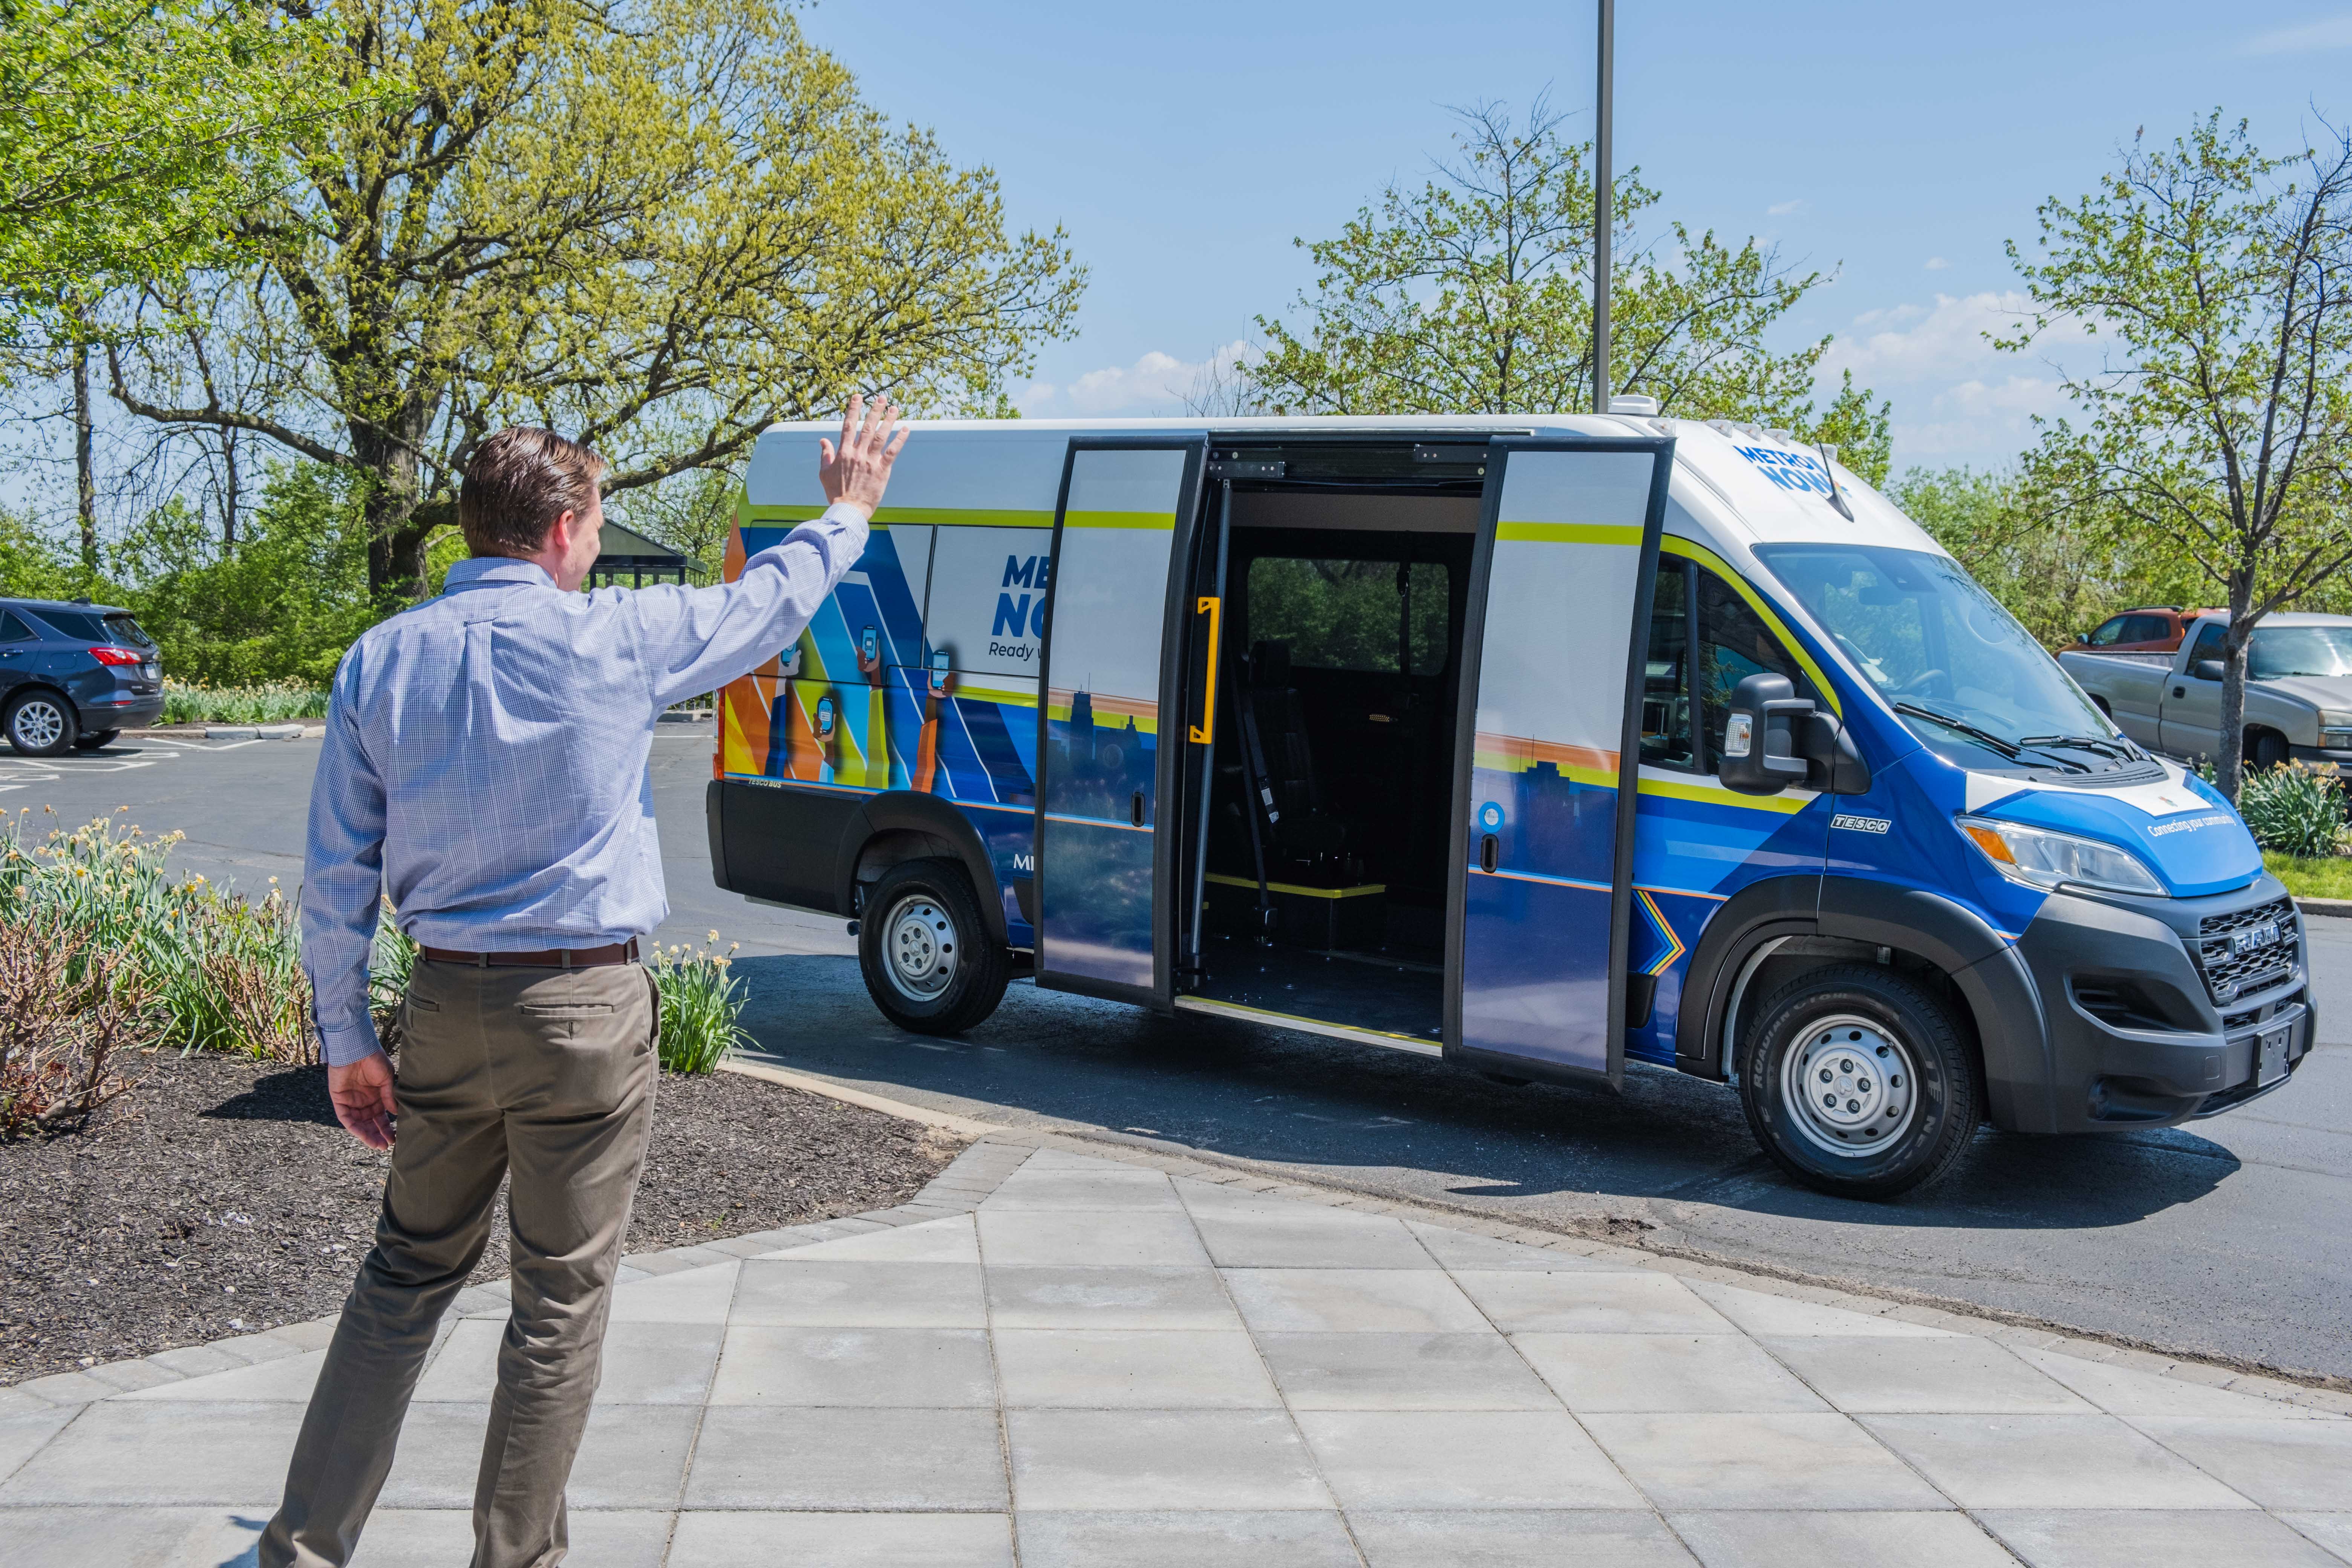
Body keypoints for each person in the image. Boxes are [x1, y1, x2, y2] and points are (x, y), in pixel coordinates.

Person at [260, 399, 906, 1568]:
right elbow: (767, 606)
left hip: (446, 1005)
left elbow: (334, 877)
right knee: (556, 1304)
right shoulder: (616, 637)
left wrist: (345, 1036)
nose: (601, 543)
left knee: (403, 1276)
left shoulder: (381, 659)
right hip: (586, 1012)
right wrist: (847, 508)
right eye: (598, 521)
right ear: (561, 529)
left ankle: (302, 1549)